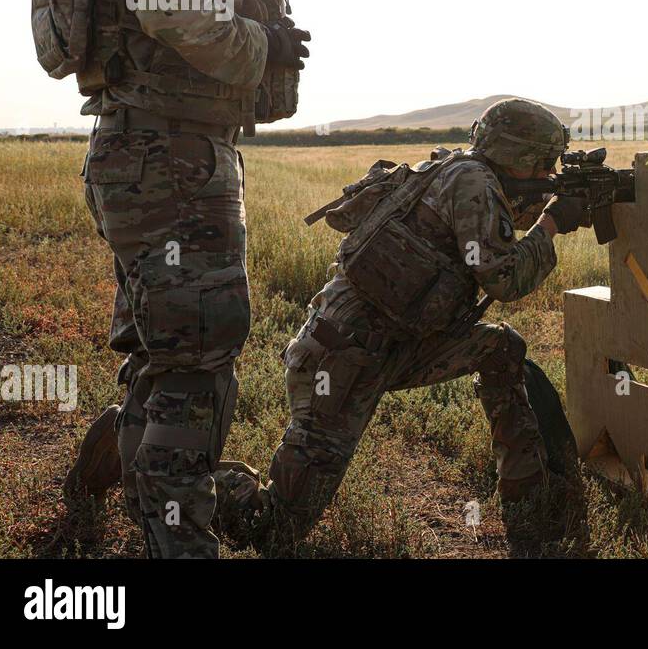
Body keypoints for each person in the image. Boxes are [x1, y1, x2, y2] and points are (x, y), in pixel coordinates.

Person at [61, 0, 310, 558]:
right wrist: (261, 46)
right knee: (199, 359)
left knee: (166, 349)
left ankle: (140, 498)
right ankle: (179, 539)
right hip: (173, 162)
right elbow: (176, 10)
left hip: (142, 154)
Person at [213, 98, 585, 551]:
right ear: (519, 156)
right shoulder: (472, 181)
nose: (548, 171)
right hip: (342, 359)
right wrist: (550, 224)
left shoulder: (461, 170)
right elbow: (504, 277)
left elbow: (487, 228)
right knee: (273, 531)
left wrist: (546, 202)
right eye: (544, 162)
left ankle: (531, 495)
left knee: (500, 348)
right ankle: (183, 473)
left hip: (396, 347)